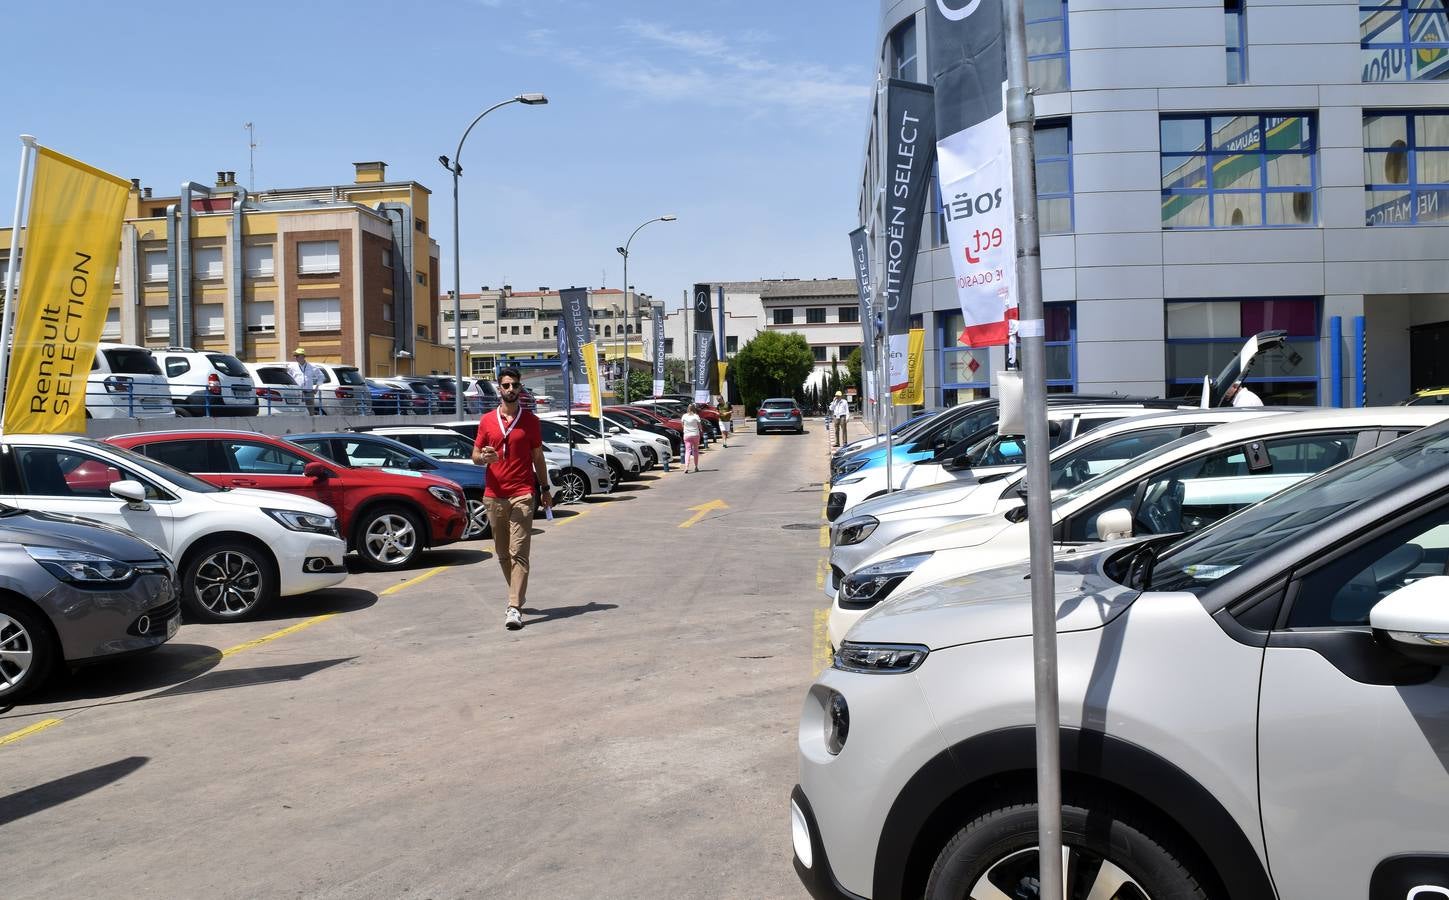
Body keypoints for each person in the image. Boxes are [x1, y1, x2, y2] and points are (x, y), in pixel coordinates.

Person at [471, 367, 553, 631]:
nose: (511, 390)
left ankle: (513, 606)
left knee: (519, 552)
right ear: (499, 388)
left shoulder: (531, 421)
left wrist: (544, 488)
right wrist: (483, 458)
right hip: (494, 495)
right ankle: (518, 593)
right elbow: (474, 455)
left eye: (515, 385)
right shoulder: (486, 421)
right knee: (503, 554)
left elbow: (538, 457)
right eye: (506, 385)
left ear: (520, 389)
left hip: (522, 494)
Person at [287, 348, 325, 415]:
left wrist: (317, 387)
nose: (295, 357)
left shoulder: (312, 367)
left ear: (302, 356)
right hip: (297, 393)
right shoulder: (292, 367)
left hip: (309, 392)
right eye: (295, 356)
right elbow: (288, 377)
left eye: (297, 356)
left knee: (310, 412)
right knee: (298, 412)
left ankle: (311, 424)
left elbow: (321, 376)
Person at [681, 403, 703, 473]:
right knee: (695, 450)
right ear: (694, 409)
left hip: (687, 435)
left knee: (687, 451)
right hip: (695, 434)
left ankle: (686, 467)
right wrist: (701, 430)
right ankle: (696, 466)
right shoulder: (696, 416)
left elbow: (682, 425)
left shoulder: (684, 416)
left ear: (688, 409)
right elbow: (699, 425)